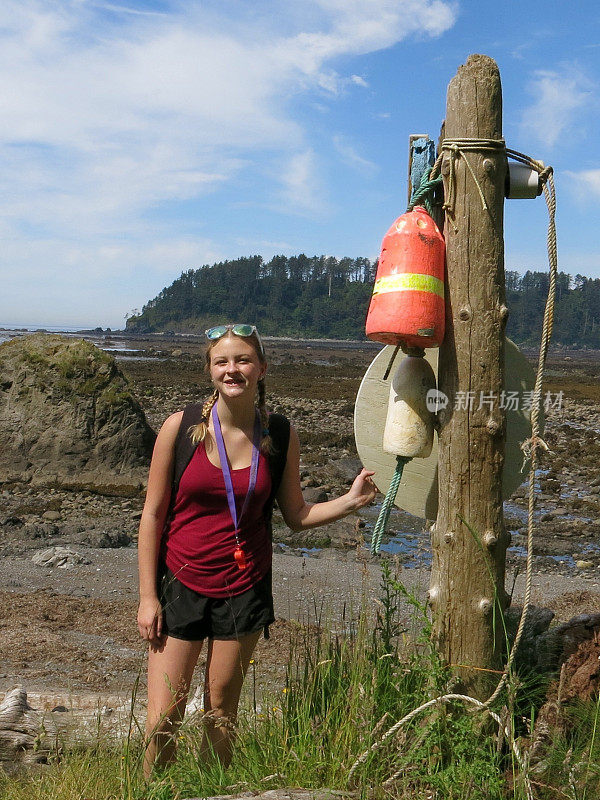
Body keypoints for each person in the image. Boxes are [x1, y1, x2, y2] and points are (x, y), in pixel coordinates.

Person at [137, 323, 376, 777]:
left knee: (222, 711)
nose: (233, 369)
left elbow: (297, 514)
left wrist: (351, 500)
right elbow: (151, 516)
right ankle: (152, 790)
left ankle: (212, 791)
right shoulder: (181, 426)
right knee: (164, 714)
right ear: (209, 371)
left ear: (261, 368)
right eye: (222, 361)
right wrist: (148, 597)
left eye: (243, 360)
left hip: (244, 588)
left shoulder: (280, 434)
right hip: (181, 582)